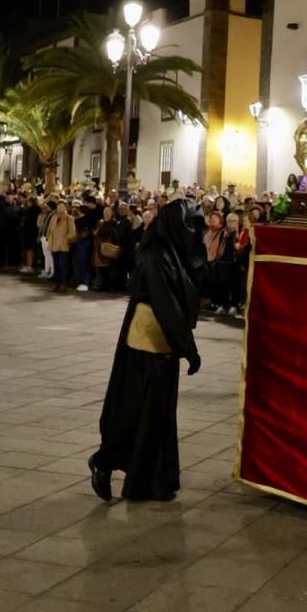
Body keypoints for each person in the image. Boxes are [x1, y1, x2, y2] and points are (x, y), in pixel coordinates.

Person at [89, 199, 204, 502]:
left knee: (157, 415)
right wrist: (189, 348)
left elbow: (193, 281)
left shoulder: (170, 253)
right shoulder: (155, 257)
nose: (192, 232)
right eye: (188, 226)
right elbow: (166, 306)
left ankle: (151, 481)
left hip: (162, 344)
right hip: (147, 344)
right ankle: (105, 460)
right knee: (139, 412)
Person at [48, 200, 73, 292]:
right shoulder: (54, 217)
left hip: (63, 246)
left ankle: (63, 284)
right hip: (54, 245)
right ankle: (57, 283)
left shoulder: (69, 218)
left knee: (63, 266)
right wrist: (49, 239)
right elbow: (50, 230)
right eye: (58, 206)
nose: (60, 208)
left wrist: (66, 239)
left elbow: (72, 232)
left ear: (65, 207)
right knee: (56, 265)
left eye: (62, 206)